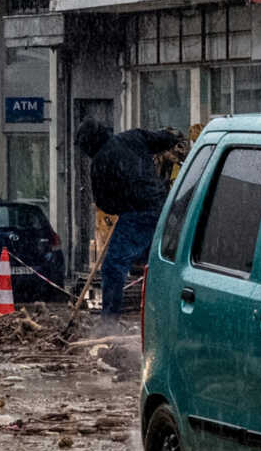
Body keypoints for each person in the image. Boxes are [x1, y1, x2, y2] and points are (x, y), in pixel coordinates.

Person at [75, 120, 183, 316]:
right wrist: (173, 136)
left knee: (113, 266)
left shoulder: (99, 162)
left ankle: (109, 321)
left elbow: (104, 204)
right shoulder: (133, 137)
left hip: (136, 215)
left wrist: (122, 206)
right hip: (164, 209)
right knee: (164, 262)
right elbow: (163, 139)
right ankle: (166, 313)